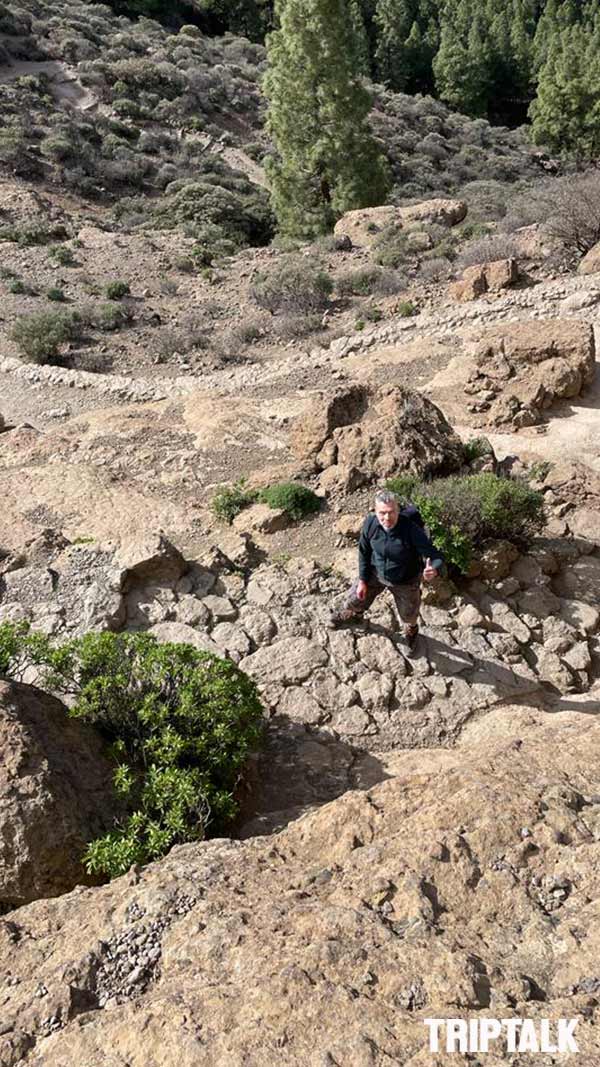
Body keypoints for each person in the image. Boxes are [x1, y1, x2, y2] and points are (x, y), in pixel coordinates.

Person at [329, 489, 444, 649]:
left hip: (405, 580)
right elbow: (364, 552)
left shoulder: (411, 530)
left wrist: (434, 569)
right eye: (382, 513)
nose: (387, 518)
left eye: (391, 512)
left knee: (409, 615)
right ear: (375, 511)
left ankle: (411, 631)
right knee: (354, 599)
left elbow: (436, 556)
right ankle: (354, 614)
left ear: (398, 510)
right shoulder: (371, 524)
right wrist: (362, 580)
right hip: (376, 573)